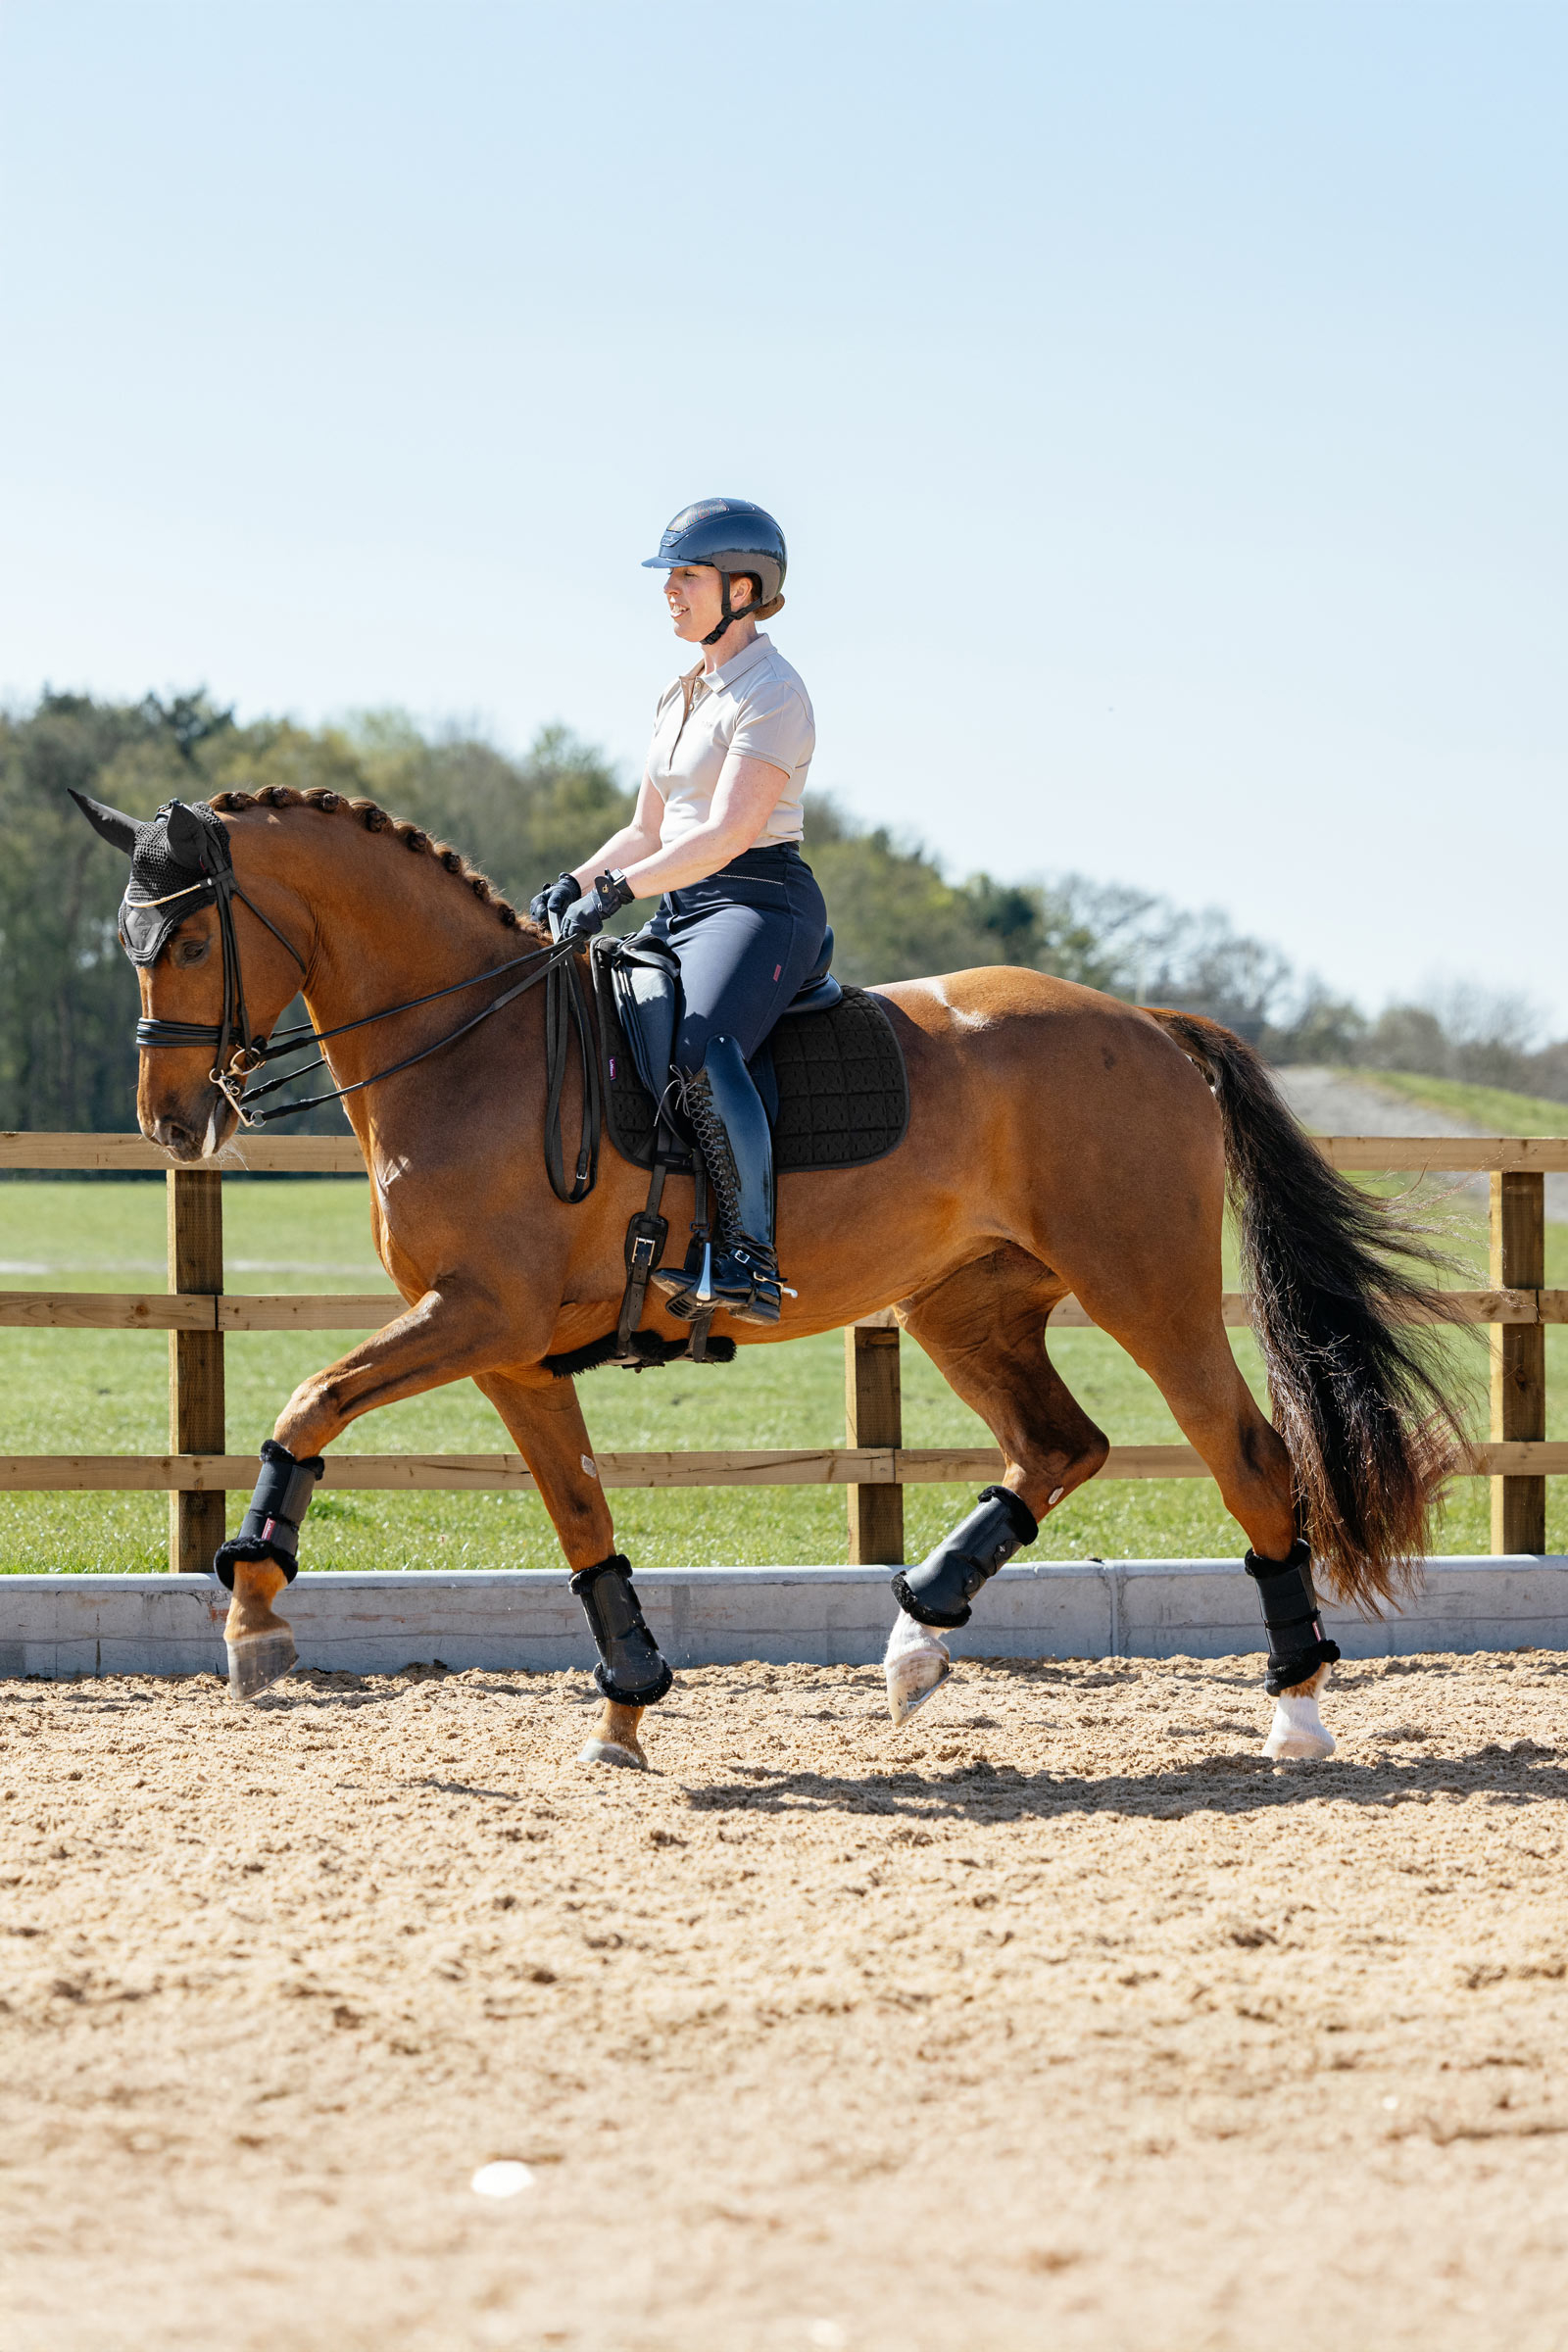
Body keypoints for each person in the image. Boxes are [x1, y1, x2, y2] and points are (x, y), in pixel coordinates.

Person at [529, 499, 826, 1325]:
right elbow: (647, 829)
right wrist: (578, 879)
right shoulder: (680, 694)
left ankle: (749, 1260)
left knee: (701, 1050)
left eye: (687, 576)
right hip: (680, 894)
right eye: (670, 578)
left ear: (744, 588)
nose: (671, 592)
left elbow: (729, 834)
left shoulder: (774, 692)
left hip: (758, 899)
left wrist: (618, 895)